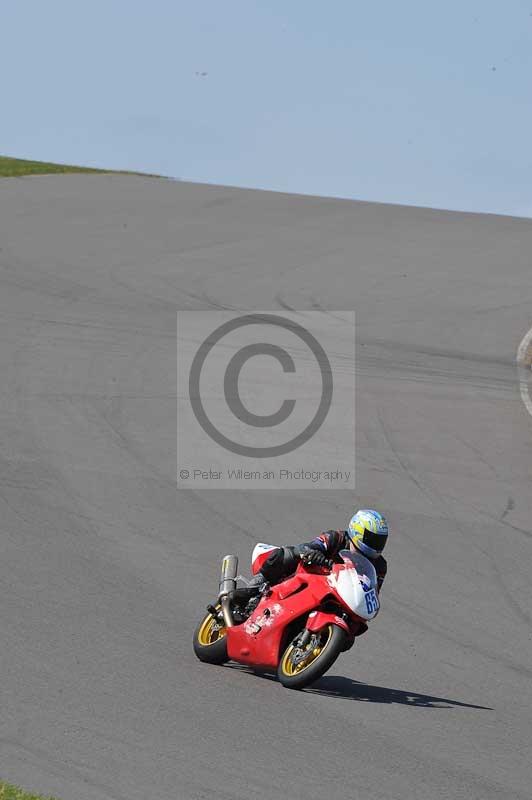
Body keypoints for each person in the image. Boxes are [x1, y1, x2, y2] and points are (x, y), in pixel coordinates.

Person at [249, 508, 389, 592]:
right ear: (357, 530)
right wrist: (314, 555)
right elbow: (307, 547)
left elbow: (372, 594)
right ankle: (255, 587)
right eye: (373, 539)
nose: (376, 544)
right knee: (289, 554)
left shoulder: (379, 566)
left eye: (380, 541)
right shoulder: (336, 538)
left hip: (339, 594)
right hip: (309, 578)